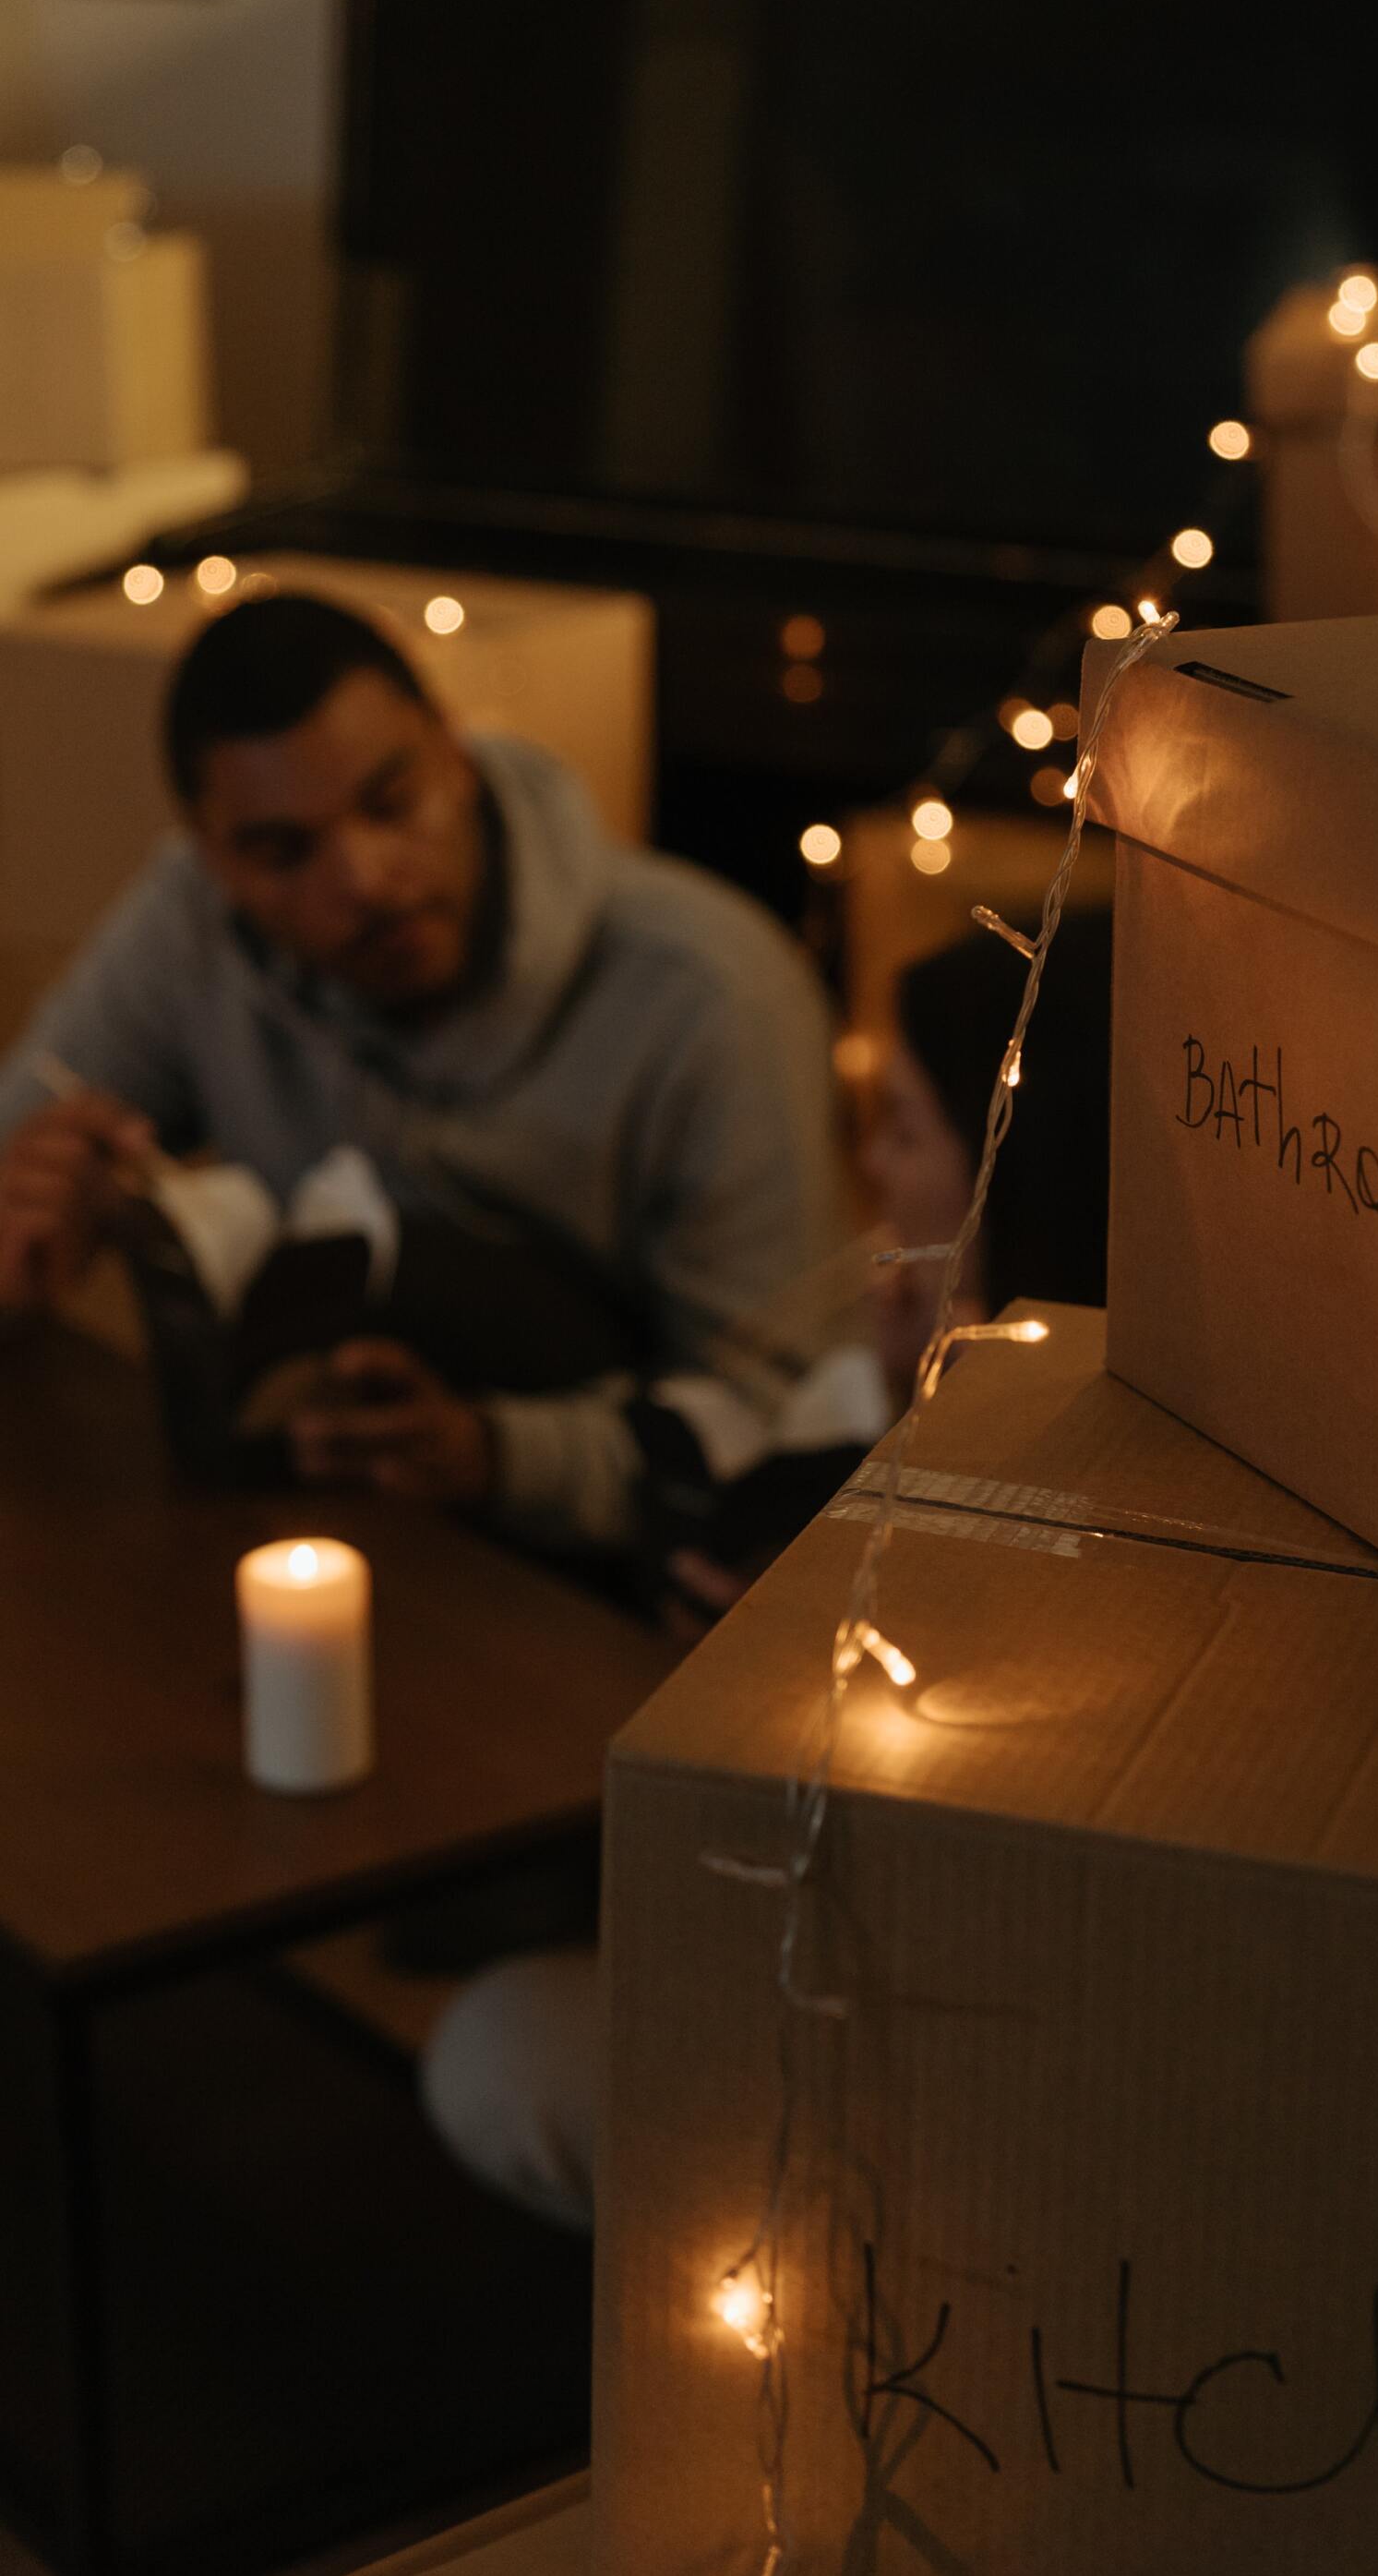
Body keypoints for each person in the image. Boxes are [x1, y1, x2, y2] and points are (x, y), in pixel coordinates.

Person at [421, 909, 1114, 2231]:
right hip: (779, 1906)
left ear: (1015, 1165)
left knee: (499, 2053)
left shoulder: (1054, 1473)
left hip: (926, 2018)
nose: (869, 1166)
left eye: (906, 1130)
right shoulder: (901, 1355)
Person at [0, 590, 842, 1556]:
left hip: (612, 1583)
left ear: (455, 752)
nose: (359, 878)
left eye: (391, 805)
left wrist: (499, 1455)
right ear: (212, 857)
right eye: (284, 853)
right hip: (321, 1533)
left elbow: (787, 1427)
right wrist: (31, 1207)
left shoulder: (707, 993)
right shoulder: (194, 924)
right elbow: (24, 1134)